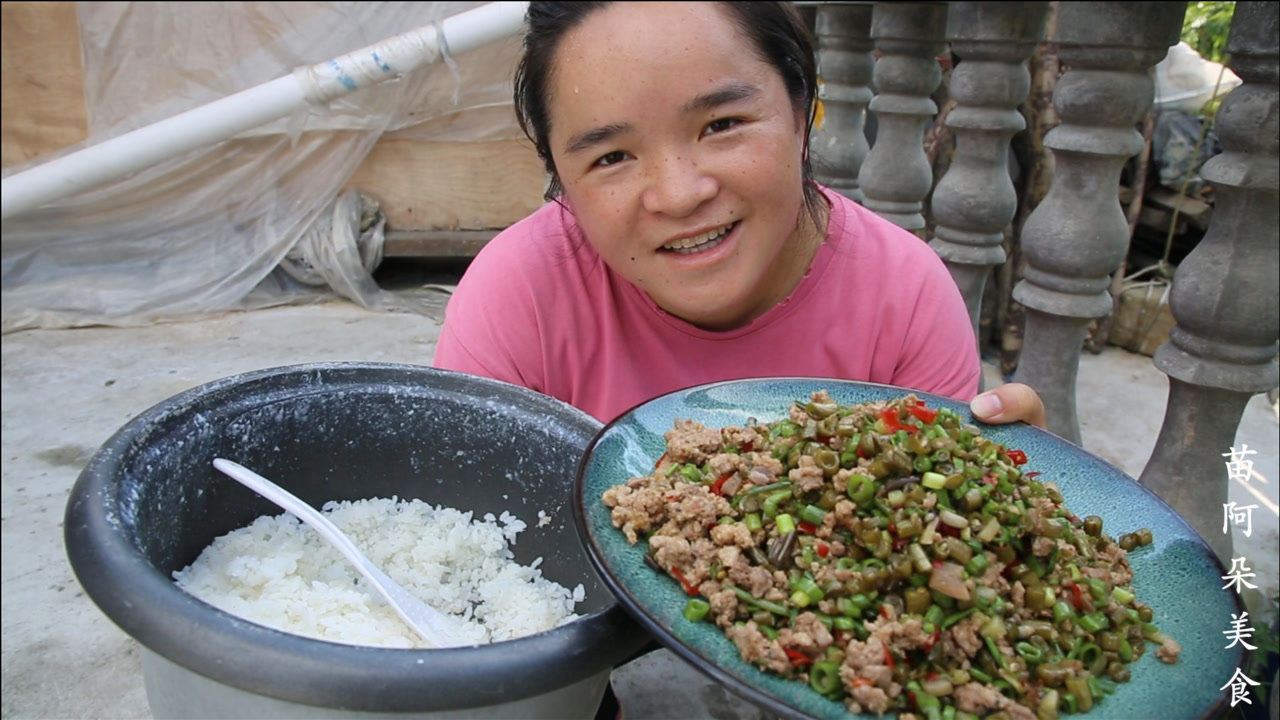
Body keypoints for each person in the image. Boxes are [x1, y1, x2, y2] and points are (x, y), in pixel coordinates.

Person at [434, 1, 1045, 430]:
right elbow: (466, 535)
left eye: (721, 125)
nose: (677, 194)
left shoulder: (904, 298)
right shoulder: (518, 297)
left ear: (801, 106)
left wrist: (1011, 521)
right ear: (560, 177)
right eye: (612, 156)